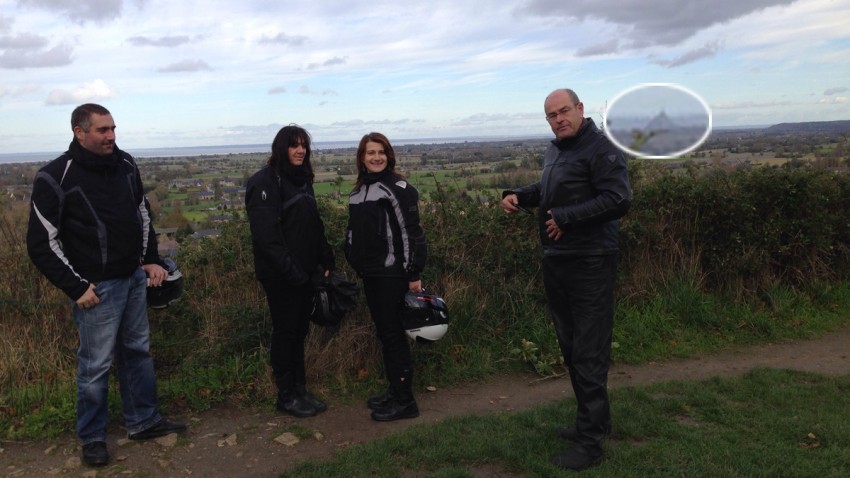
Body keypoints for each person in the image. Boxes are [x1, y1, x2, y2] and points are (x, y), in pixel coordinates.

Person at [26, 103, 186, 468]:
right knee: (95, 365)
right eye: (102, 130)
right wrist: (76, 287)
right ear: (79, 132)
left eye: (113, 128)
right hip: (95, 288)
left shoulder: (126, 164)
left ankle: (143, 420)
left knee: (138, 353)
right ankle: (93, 438)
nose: (111, 136)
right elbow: (41, 243)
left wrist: (150, 260)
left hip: (131, 278)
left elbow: (141, 213)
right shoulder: (55, 176)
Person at [500, 89, 632, 471]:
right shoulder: (557, 150)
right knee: (572, 346)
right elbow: (548, 191)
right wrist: (518, 196)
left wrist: (567, 217)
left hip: (591, 261)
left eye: (563, 112)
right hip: (558, 259)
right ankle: (594, 423)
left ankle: (590, 443)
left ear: (580, 109)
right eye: (551, 116)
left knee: (588, 351)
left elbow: (619, 198)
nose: (558, 119)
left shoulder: (601, 148)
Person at [245, 124, 335, 418]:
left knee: (299, 332)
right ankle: (286, 395)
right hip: (281, 277)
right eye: (294, 145)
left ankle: (300, 390)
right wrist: (294, 273)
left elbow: (312, 224)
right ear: (280, 148)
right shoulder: (264, 182)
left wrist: (325, 259)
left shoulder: (301, 181)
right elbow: (266, 238)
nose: (300, 150)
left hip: (305, 273)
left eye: (303, 145)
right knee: (286, 333)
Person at [345, 132, 427, 422]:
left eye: (380, 152)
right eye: (370, 153)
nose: (376, 157)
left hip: (393, 275)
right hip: (370, 275)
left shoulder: (399, 188)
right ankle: (395, 390)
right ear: (362, 158)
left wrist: (413, 273)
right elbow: (353, 233)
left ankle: (405, 402)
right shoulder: (357, 192)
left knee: (393, 337)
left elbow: (411, 233)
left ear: (388, 155)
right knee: (385, 335)